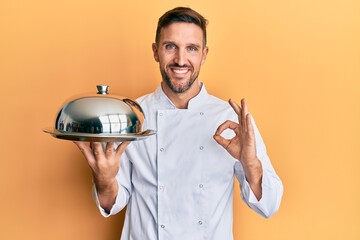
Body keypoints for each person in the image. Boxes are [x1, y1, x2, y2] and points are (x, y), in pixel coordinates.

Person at [74, 6, 283, 240]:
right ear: (156, 51)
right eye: (170, 46)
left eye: (191, 48)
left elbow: (269, 205)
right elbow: (113, 203)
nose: (180, 60)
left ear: (204, 54)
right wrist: (104, 180)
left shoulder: (231, 118)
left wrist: (251, 164)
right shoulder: (132, 116)